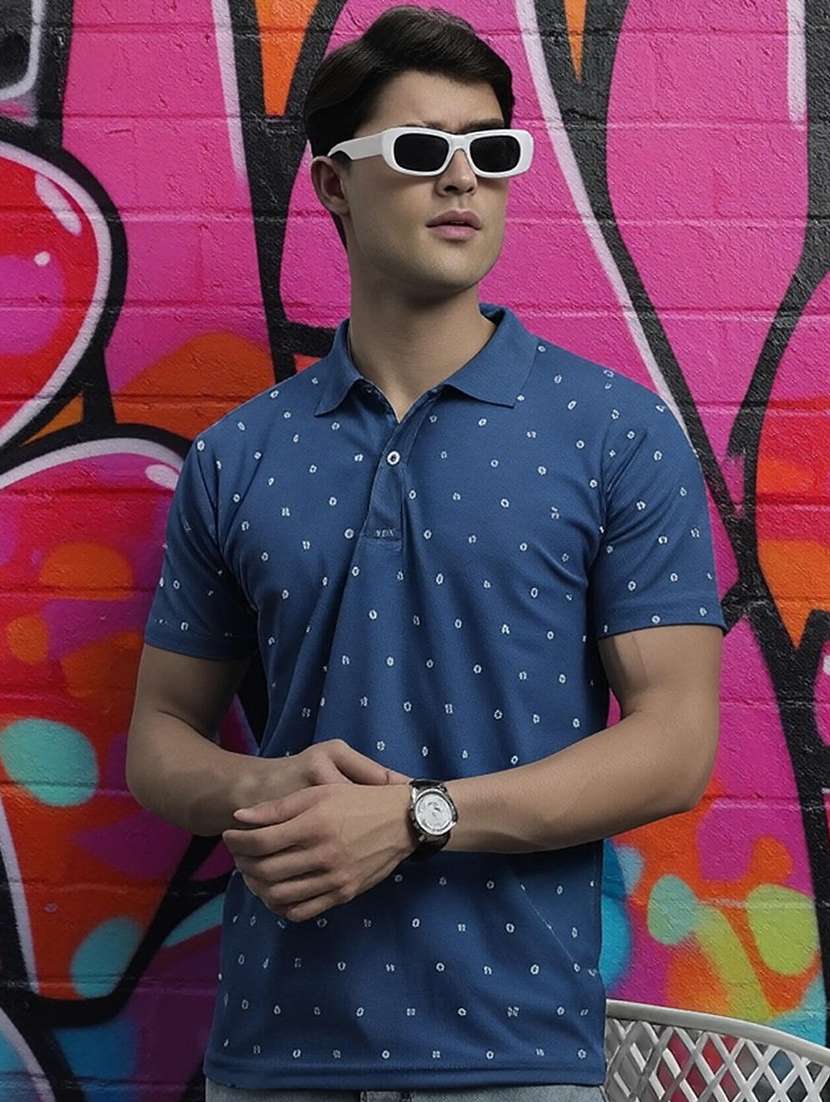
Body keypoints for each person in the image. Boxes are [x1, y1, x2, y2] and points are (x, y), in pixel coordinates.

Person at [127, 6, 726, 1102]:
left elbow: (676, 743)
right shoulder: (238, 456)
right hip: (272, 1061)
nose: (462, 178)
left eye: (490, 150)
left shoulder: (614, 433)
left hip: (517, 1059)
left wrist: (415, 816)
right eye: (419, 149)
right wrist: (266, 789)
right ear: (333, 183)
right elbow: (158, 740)